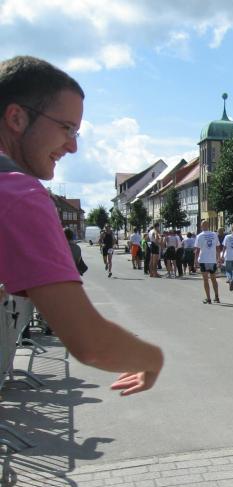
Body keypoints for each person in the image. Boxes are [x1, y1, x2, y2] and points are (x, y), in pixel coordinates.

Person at [0, 55, 162, 395]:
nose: (73, 146)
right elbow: (90, 342)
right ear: (16, 118)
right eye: (66, 128)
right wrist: (153, 358)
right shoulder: (18, 193)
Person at [194, 220, 221, 304]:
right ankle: (216, 297)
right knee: (214, 279)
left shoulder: (200, 236)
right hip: (212, 260)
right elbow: (218, 247)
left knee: (205, 280)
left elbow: (197, 250)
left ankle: (208, 298)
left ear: (201, 226)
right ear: (208, 226)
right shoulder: (214, 234)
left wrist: (195, 260)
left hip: (203, 260)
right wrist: (218, 258)